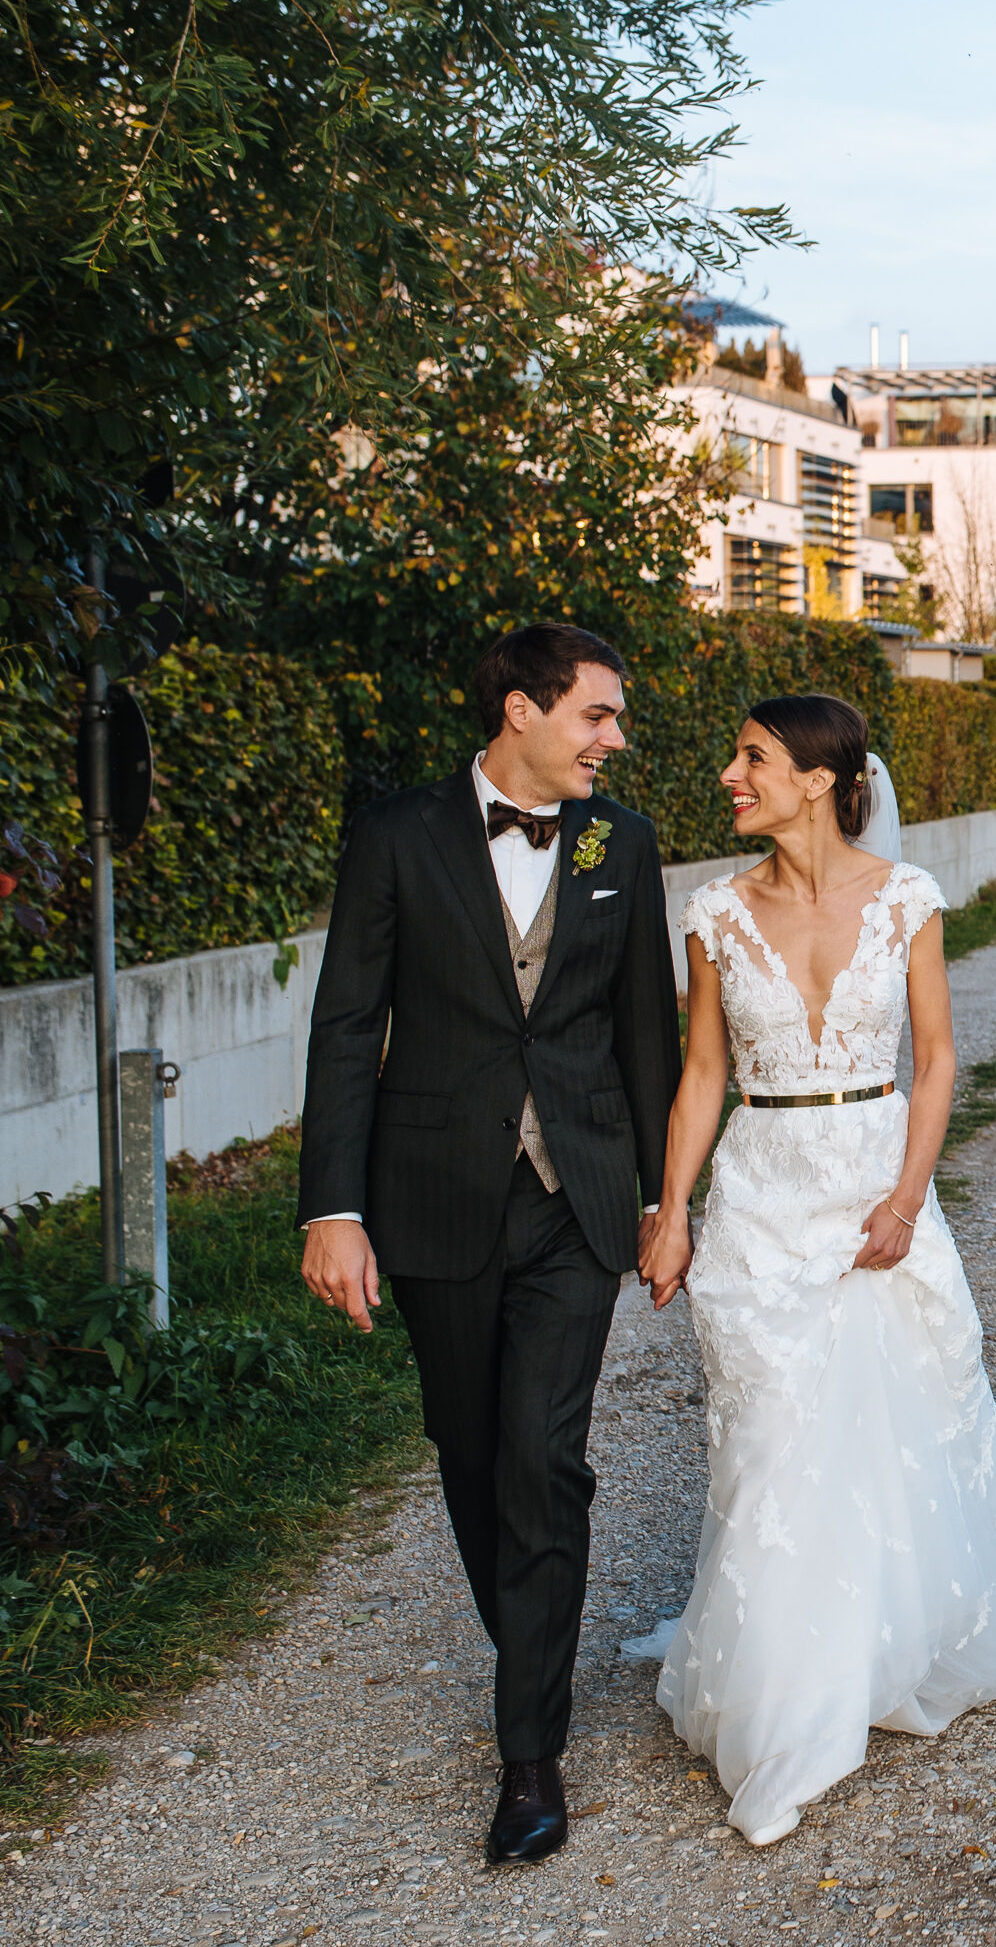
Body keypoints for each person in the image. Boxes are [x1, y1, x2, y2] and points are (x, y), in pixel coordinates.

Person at [632, 694, 996, 1845]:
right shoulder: (712, 912)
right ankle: (784, 1696)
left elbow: (936, 1060)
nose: (729, 773)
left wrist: (902, 1198)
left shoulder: (907, 898)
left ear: (816, 778)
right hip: (761, 1191)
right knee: (771, 1433)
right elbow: (702, 1073)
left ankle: (885, 1643)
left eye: (750, 756)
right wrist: (671, 1209)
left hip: (872, 1175)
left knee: (903, 1410)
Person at [297, 623, 680, 1867]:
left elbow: (647, 1032)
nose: (614, 738)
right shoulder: (396, 834)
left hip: (577, 1196)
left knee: (543, 1454)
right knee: (469, 1449)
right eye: (597, 714)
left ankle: (530, 1754)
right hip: (432, 1193)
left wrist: (668, 1199)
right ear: (521, 708)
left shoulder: (623, 842)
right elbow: (347, 1023)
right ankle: (532, 1648)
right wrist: (332, 1207)